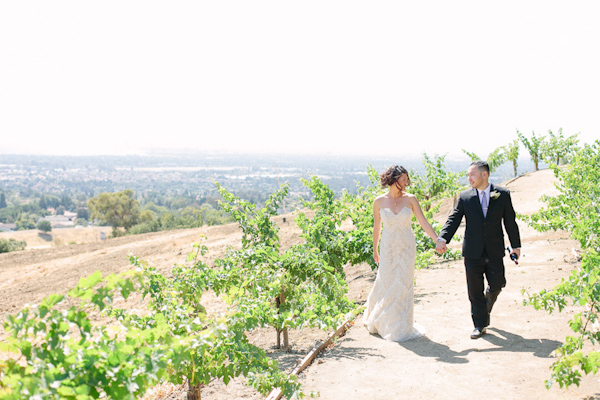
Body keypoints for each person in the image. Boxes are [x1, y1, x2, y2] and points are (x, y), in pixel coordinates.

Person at [436, 160, 521, 339]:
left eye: (472, 174)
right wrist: (443, 238)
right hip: (472, 251)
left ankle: (487, 301)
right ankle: (479, 324)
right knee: (474, 290)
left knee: (498, 283)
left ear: (484, 175)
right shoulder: (465, 196)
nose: (469, 178)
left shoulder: (502, 194)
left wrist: (516, 246)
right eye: (468, 175)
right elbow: (454, 219)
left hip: (495, 250)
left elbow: (510, 222)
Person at [363, 165, 439, 342]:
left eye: (407, 178)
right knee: (387, 281)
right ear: (393, 179)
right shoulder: (379, 202)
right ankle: (384, 321)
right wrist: (375, 249)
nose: (407, 182)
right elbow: (377, 227)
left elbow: (423, 222)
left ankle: (401, 326)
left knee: (403, 284)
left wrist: (437, 239)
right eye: (403, 178)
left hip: (406, 247)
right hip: (388, 246)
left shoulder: (411, 199)